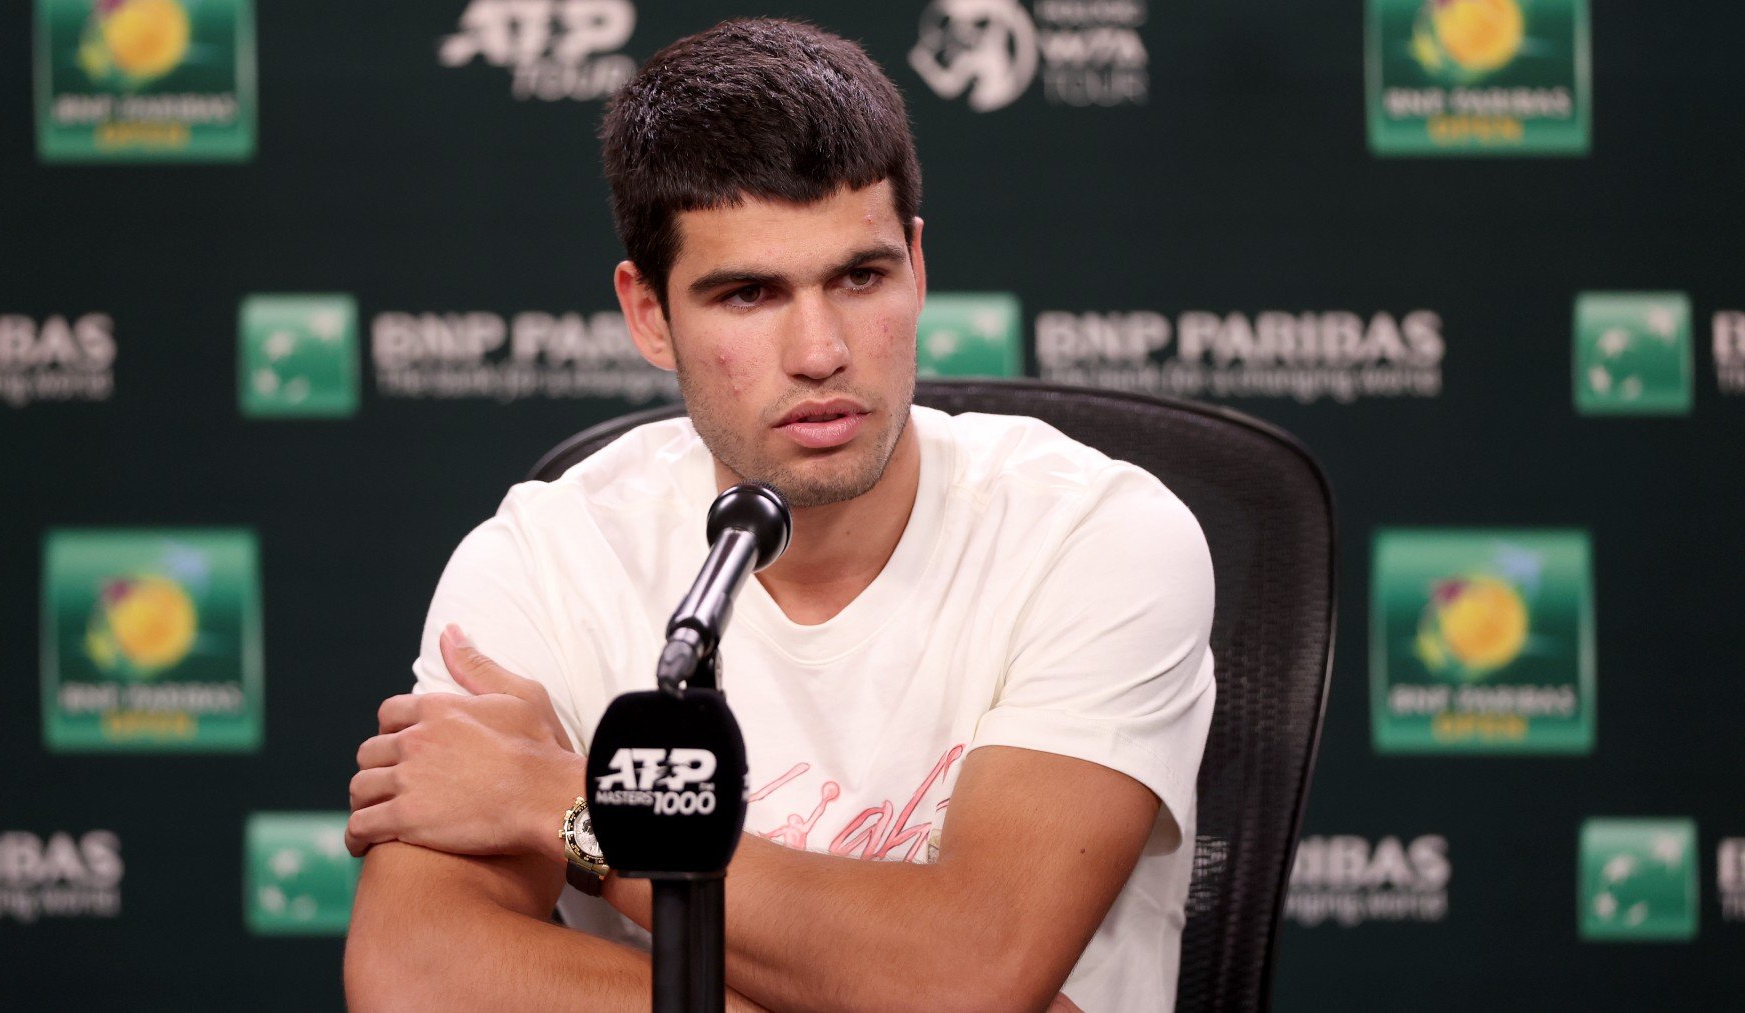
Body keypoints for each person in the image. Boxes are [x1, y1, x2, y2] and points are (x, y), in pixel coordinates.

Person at [341, 17, 1214, 1012]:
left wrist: (565, 804)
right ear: (648, 316)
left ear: (918, 269)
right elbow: (414, 972)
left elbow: (968, 971)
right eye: (748, 292)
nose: (822, 350)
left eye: (860, 276)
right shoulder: (544, 558)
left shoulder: (1097, 537)